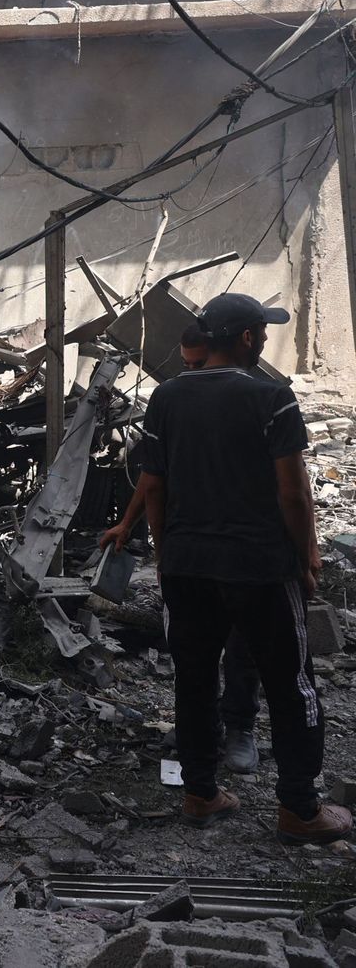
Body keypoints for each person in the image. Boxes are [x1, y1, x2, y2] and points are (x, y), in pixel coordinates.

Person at [142, 293, 350, 844]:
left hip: (187, 565)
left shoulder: (166, 397)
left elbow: (155, 485)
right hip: (258, 566)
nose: (263, 338)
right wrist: (306, 555)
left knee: (193, 680)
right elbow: (294, 493)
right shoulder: (271, 398)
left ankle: (201, 794)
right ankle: (300, 810)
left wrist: (167, 554)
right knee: (292, 685)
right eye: (261, 330)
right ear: (247, 339)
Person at [100, 323, 261, 774]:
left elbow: (287, 484)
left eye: (198, 363)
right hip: (186, 547)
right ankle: (200, 726)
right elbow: (154, 476)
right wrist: (130, 525)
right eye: (184, 364)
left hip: (236, 545)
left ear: (216, 355)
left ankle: (240, 728)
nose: (190, 372)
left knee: (240, 642)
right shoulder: (172, 401)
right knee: (191, 646)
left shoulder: (249, 399)